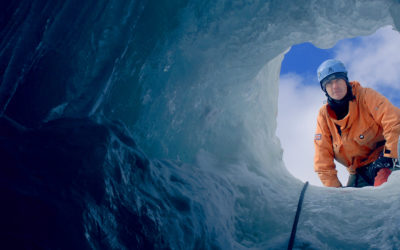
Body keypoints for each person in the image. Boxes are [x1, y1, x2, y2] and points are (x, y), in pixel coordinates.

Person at [314, 59, 400, 187]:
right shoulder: (324, 116)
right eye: (329, 83)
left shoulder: (366, 96)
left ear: (346, 80)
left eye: (338, 80)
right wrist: (336, 193)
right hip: (359, 172)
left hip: (385, 160)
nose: (335, 86)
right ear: (324, 89)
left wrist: (388, 157)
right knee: (352, 204)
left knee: (382, 191)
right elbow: (322, 160)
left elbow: (394, 122)